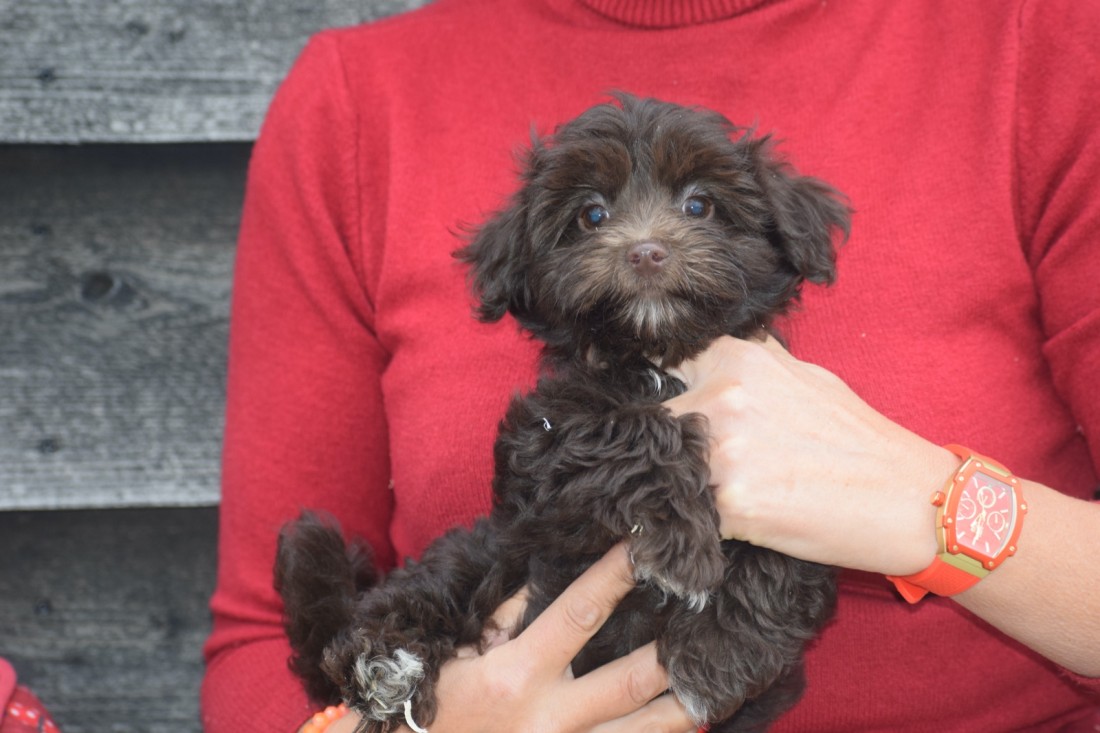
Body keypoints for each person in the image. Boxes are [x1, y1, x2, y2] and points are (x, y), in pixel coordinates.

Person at [200, 1, 1100, 731]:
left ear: (785, 240)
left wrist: (930, 505)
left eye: (699, 206)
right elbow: (255, 645)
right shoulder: (356, 100)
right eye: (592, 218)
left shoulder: (1041, 35)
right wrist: (396, 731)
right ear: (527, 269)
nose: (646, 243)